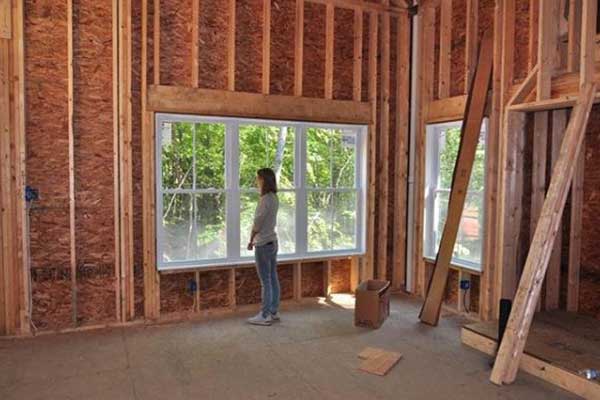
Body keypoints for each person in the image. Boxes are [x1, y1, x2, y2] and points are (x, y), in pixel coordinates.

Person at [247, 168, 280, 326]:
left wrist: (251, 240)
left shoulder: (265, 200)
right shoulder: (274, 198)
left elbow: (258, 223)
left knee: (265, 281)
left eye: (258, 178)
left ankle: (265, 315)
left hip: (263, 244)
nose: (256, 181)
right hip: (273, 242)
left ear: (263, 180)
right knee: (273, 277)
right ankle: (273, 311)